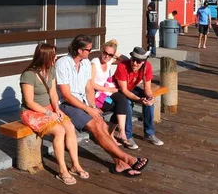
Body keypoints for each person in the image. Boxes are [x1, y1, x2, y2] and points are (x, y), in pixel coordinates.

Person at [56, 35, 149, 178]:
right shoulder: (63, 63)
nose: (90, 51)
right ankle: (128, 158)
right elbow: (66, 95)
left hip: (83, 102)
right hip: (66, 104)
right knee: (95, 126)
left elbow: (88, 88)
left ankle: (119, 163)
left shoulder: (85, 63)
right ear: (79, 50)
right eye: (88, 49)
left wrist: (92, 107)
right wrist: (88, 109)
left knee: (102, 125)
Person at [20, 43, 87, 185]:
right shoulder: (28, 75)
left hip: (50, 108)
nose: (55, 58)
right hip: (33, 112)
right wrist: (49, 113)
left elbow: (53, 93)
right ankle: (63, 170)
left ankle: (75, 164)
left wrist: (57, 108)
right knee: (59, 131)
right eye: (53, 56)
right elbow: (30, 102)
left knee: (69, 126)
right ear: (45, 56)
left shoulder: (51, 70)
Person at [114, 47, 164, 148]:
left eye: (139, 61)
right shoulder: (122, 66)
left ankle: (149, 133)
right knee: (127, 104)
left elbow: (147, 89)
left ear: (143, 62)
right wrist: (139, 100)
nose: (135, 63)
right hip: (116, 90)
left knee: (149, 102)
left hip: (131, 88)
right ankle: (128, 135)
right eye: (133, 60)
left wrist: (150, 97)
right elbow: (124, 90)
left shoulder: (147, 67)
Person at [90, 39, 129, 147]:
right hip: (97, 93)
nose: (106, 56)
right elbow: (91, 84)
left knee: (122, 100)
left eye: (110, 55)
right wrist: (109, 90)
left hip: (107, 91)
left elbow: (126, 60)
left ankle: (121, 131)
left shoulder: (109, 61)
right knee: (116, 106)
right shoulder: (95, 62)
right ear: (101, 51)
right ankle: (110, 135)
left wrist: (114, 50)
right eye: (105, 53)